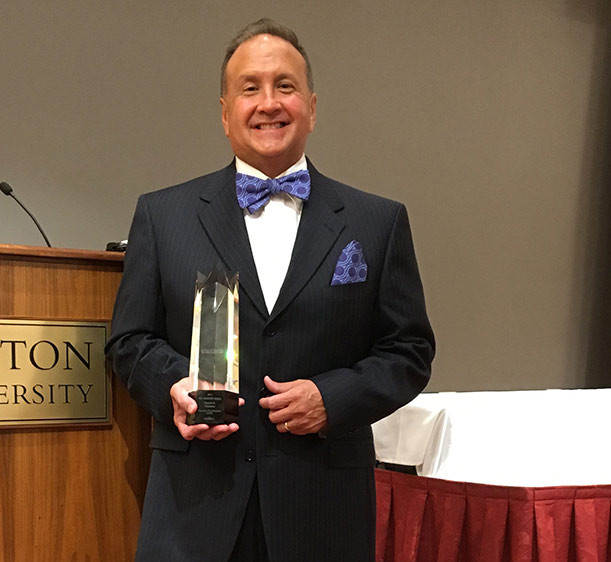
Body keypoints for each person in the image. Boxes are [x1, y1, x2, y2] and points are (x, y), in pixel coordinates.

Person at [106, 18, 434, 561]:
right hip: (196, 510)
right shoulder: (164, 216)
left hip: (322, 509)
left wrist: (332, 399)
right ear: (224, 110)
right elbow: (129, 340)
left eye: (285, 86)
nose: (269, 103)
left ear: (311, 104)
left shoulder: (378, 222)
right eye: (250, 88)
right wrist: (174, 389)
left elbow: (410, 352)